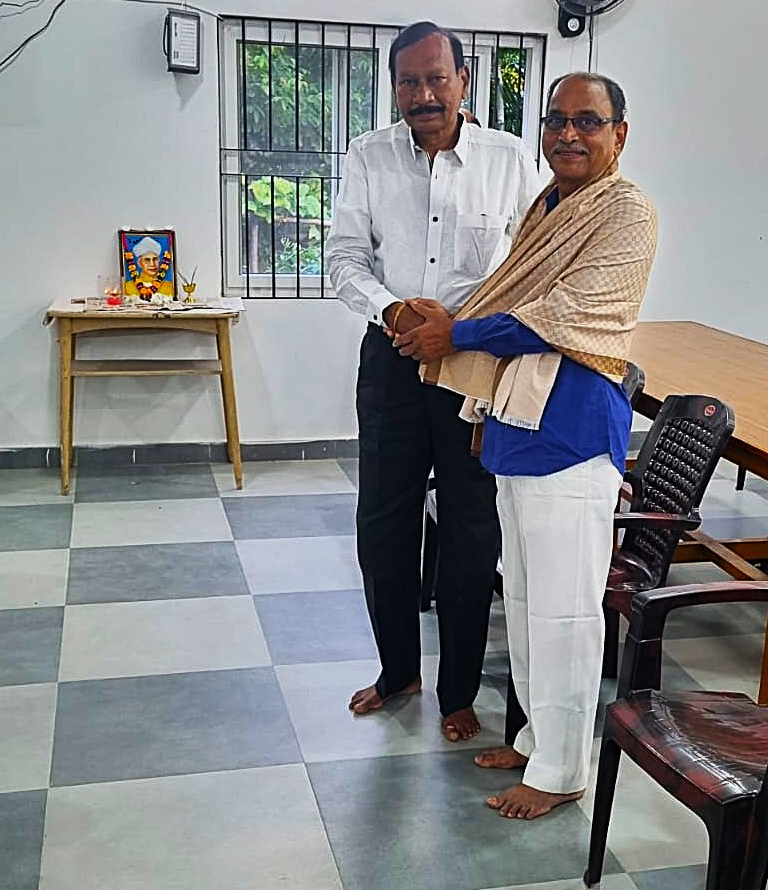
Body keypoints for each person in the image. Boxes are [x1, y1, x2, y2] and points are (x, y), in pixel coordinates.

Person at [392, 72, 657, 816]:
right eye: (556, 120)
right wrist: (477, 395)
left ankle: (562, 772)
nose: (568, 134)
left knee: (567, 612)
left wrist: (454, 334)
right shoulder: (547, 204)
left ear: (618, 134)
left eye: (587, 122)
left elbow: (563, 314)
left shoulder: (627, 211)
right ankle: (538, 739)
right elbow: (513, 297)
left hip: (573, 432)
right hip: (515, 425)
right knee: (529, 601)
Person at [325, 21, 541, 741]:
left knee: (471, 527)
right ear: (393, 86)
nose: (423, 94)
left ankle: (457, 692)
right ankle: (397, 672)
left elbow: (531, 266)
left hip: (472, 364)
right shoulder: (368, 156)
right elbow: (344, 258)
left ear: (463, 81)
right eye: (409, 81)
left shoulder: (510, 161)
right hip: (391, 357)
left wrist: (461, 327)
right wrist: (393, 309)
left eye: (436, 78)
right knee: (382, 523)